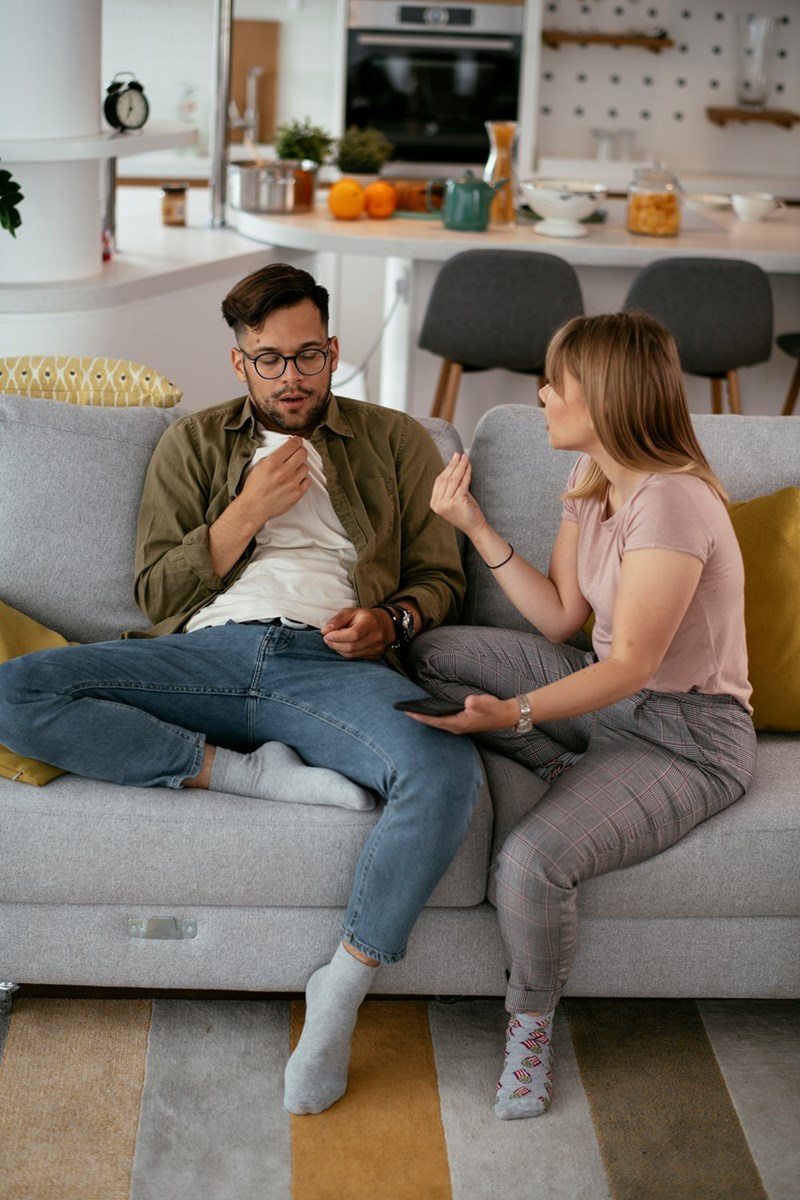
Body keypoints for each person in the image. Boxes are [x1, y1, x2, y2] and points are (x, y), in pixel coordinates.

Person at [0, 262, 482, 1115]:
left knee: (445, 771)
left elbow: (441, 583)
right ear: (239, 364)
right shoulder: (191, 444)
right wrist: (244, 514)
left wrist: (391, 623)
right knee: (13, 691)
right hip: (205, 658)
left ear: (334, 351)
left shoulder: (399, 440)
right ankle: (241, 771)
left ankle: (341, 987)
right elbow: (156, 594)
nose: (291, 377)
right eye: (270, 359)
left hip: (330, 667)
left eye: (308, 356)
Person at [405, 311, 757, 1121]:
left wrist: (515, 715)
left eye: (557, 382)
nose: (542, 394)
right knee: (438, 653)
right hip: (613, 704)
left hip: (687, 738)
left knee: (530, 861)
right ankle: (569, 764)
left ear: (604, 396)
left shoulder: (670, 503)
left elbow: (631, 661)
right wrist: (475, 527)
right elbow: (562, 619)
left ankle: (529, 1029)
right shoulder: (594, 485)